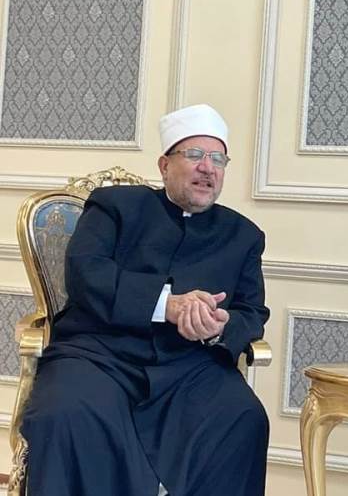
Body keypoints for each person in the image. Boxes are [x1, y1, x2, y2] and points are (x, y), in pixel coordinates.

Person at [20, 104, 271, 496]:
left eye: (218, 158)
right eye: (194, 154)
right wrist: (166, 305)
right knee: (64, 413)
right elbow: (86, 273)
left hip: (191, 367)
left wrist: (220, 327)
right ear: (164, 165)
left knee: (244, 416)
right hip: (100, 356)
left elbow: (251, 311)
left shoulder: (244, 235)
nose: (207, 167)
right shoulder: (115, 206)